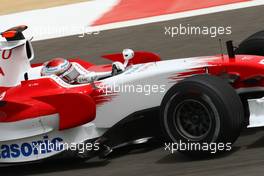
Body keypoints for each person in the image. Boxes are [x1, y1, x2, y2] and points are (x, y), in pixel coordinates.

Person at [41, 58, 125, 84]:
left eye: (73, 72)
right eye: (69, 75)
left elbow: (87, 78)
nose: (74, 76)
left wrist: (111, 74)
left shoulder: (78, 79)